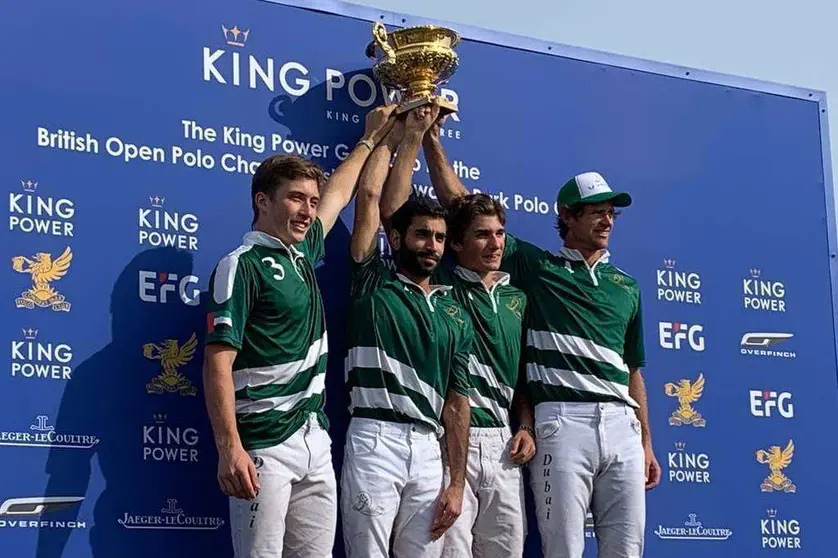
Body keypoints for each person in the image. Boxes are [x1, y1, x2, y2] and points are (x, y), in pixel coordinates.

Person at [422, 109, 661, 558]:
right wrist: (432, 141)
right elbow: (461, 208)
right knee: (564, 550)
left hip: (622, 424)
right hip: (561, 421)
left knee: (627, 551)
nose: (607, 221)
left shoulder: (627, 286)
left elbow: (633, 370)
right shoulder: (537, 267)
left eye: (611, 214)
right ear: (567, 216)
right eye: (596, 213)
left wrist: (646, 440)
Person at [201, 104, 398, 557]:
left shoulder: (302, 253)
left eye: (311, 201)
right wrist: (230, 447)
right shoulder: (242, 265)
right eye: (296, 198)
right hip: (263, 444)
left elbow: (340, 194)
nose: (308, 211)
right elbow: (217, 362)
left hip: (314, 438)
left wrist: (371, 137)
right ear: (262, 201)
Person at [378, 104, 537, 557]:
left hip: (506, 446)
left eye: (501, 234)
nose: (496, 244)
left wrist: (525, 424)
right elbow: (403, 211)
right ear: (458, 245)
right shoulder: (442, 286)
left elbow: (522, 376)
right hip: (452, 444)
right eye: (483, 235)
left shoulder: (517, 297)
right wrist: (424, 134)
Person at [339, 105, 473, 558]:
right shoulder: (372, 279)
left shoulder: (454, 311)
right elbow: (370, 197)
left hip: (429, 448)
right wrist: (395, 136)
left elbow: (458, 403)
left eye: (438, 237)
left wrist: (456, 482)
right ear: (396, 239)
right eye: (421, 235)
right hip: (375, 438)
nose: (432, 246)